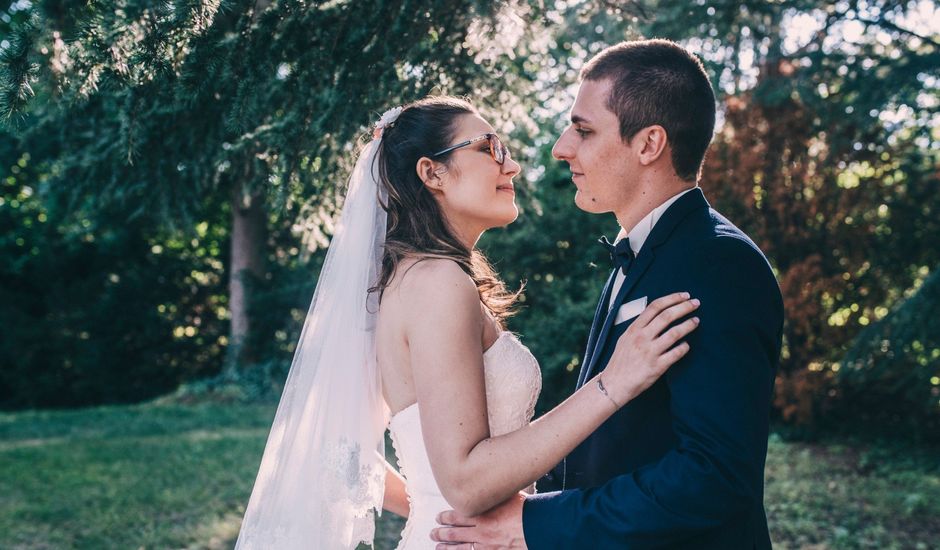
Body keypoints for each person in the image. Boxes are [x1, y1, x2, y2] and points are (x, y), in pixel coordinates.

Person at [234, 95, 700, 550]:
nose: (512, 166)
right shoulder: (437, 283)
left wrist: (432, 504)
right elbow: (466, 480)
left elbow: (343, 454)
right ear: (431, 172)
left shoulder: (410, 279)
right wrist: (612, 384)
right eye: (489, 148)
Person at [431, 39, 784, 549]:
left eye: (583, 129)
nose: (561, 147)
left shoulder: (719, 264)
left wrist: (532, 525)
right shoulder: (643, 251)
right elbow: (616, 444)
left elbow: (715, 477)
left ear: (648, 144)